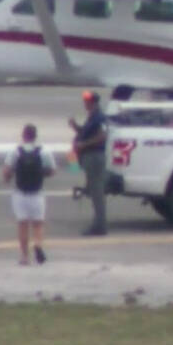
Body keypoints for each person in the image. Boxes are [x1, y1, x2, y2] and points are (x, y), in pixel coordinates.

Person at [3, 123, 55, 265]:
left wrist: (7, 179)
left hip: (20, 194)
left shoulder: (16, 151)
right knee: (38, 224)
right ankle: (38, 244)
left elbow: (7, 171)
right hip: (37, 193)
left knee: (23, 224)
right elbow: (52, 171)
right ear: (35, 136)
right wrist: (41, 173)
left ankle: (25, 256)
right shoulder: (44, 151)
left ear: (23, 135)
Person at [69, 90, 108, 236]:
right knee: (94, 191)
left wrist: (83, 145)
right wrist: (75, 127)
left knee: (97, 193)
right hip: (89, 157)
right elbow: (85, 133)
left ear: (93, 102)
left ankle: (100, 226)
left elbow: (102, 136)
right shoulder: (92, 118)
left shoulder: (100, 117)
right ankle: (98, 223)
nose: (85, 103)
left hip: (95, 157)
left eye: (87, 101)